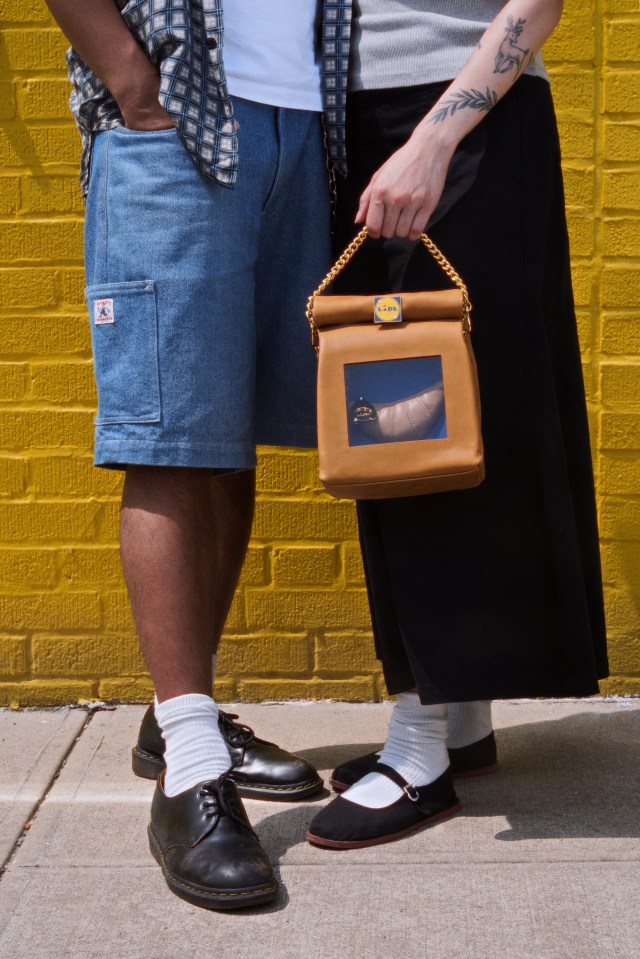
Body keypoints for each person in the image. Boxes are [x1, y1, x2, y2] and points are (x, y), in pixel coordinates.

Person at [44, 0, 339, 910]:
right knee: (168, 439)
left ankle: (183, 723)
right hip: (176, 120)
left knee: (227, 441)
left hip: (299, 127)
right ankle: (191, 774)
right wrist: (130, 78)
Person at [307, 0, 609, 849]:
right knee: (419, 421)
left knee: (420, 431)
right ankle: (459, 713)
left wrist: (433, 141)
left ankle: (419, 753)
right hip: (368, 123)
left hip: (459, 116)